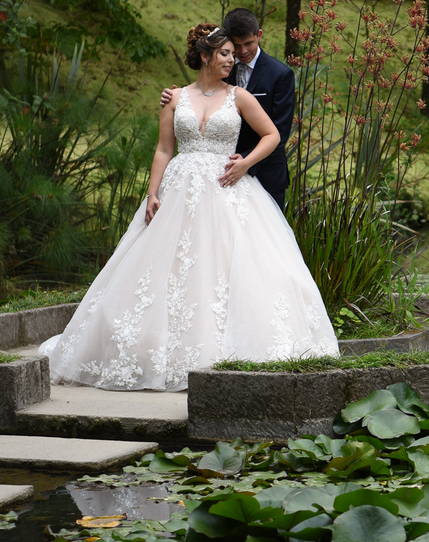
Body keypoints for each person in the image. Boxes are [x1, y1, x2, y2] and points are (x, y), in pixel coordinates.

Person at [39, 24, 339, 391]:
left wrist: (244, 162)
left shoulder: (240, 96)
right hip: (178, 189)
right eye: (226, 53)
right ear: (205, 57)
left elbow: (273, 134)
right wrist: (152, 194)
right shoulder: (175, 97)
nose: (233, 59)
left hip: (225, 188)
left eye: (233, 53)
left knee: (225, 268)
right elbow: (164, 148)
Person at [161, 9, 295, 209]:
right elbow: (204, 95)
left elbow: (279, 132)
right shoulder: (221, 67)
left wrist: (246, 162)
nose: (241, 52)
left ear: (259, 35)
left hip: (265, 171)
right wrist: (177, 99)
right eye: (236, 46)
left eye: (248, 43)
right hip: (218, 174)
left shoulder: (280, 75)